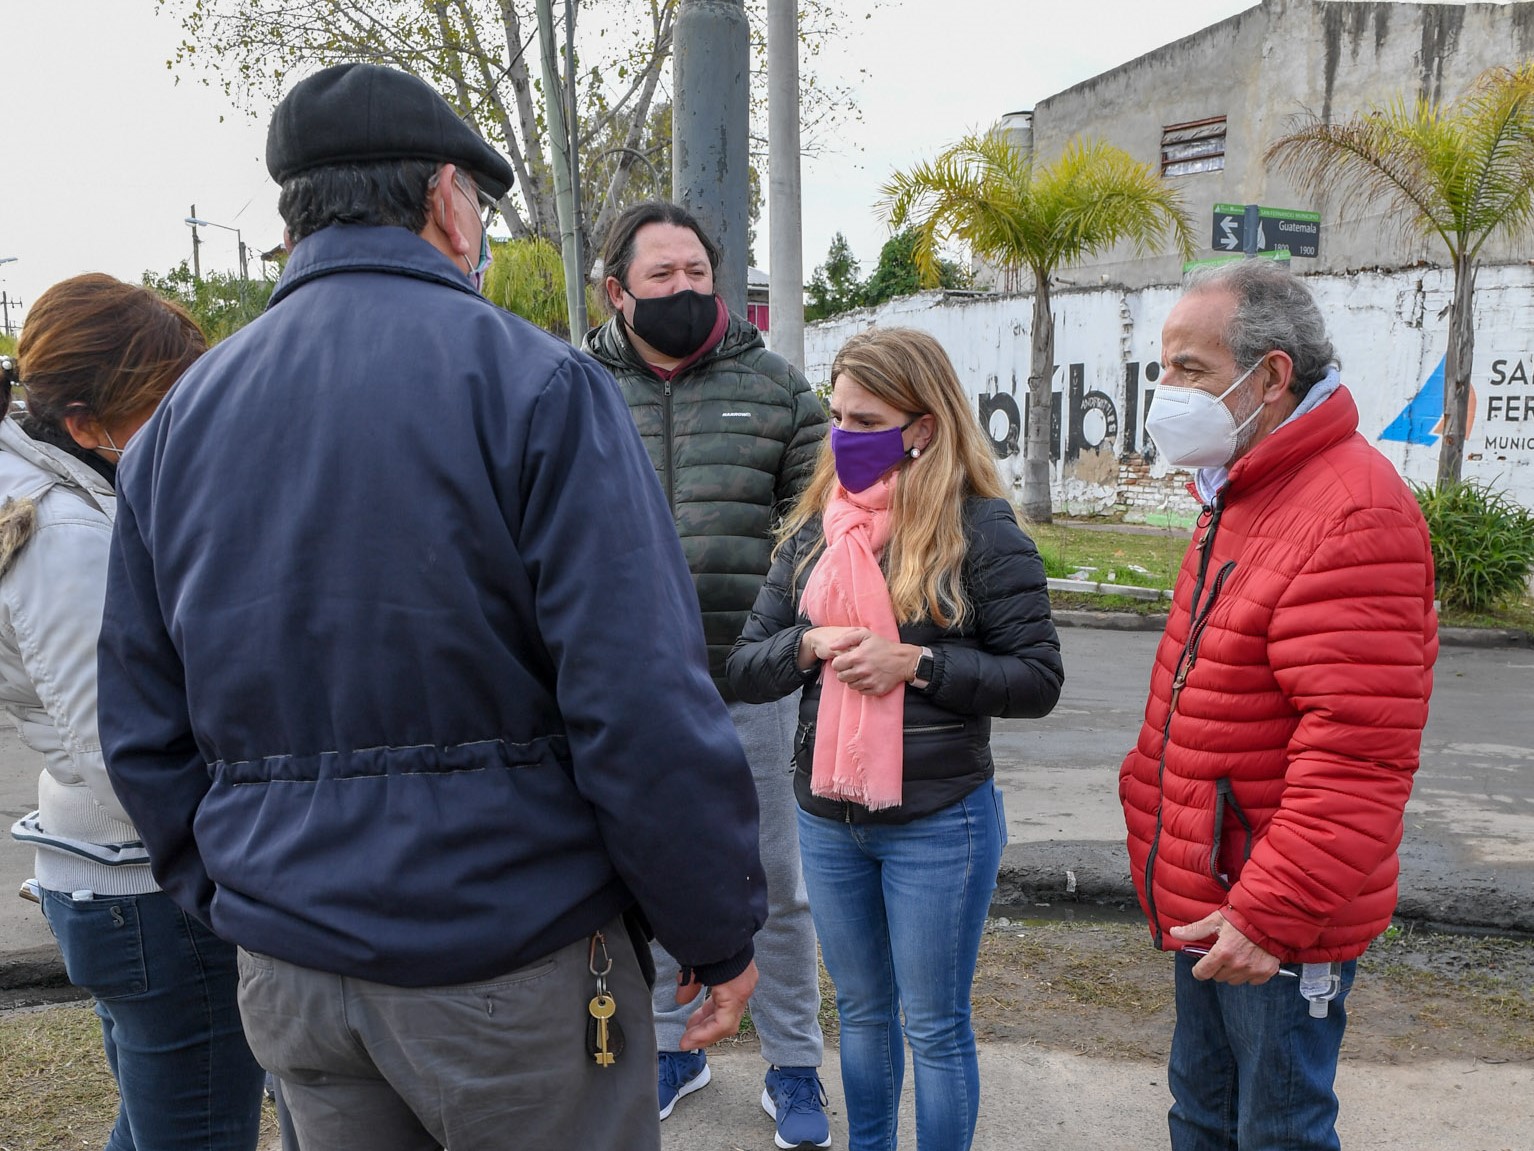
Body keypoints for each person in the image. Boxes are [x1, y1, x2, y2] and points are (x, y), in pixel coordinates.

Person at [96, 62, 766, 1151]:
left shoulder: (180, 423)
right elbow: (638, 702)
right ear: (449, 200)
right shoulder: (539, 387)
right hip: (513, 960)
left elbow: (139, 719)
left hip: (296, 967)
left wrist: (241, 893)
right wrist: (714, 924)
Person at [1119, 259, 1438, 1151]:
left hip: (1273, 914)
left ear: (1270, 376)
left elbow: (1359, 754)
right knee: (1205, 1119)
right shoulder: (1243, 491)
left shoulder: (1351, 510)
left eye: (1191, 369)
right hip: (1209, 890)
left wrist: (1272, 911)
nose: (1166, 391)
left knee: (1277, 1132)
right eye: (1164, 368)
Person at [728, 326, 1064, 1151]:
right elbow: (744, 665)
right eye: (835, 414)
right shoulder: (817, 530)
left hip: (939, 823)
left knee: (935, 1025)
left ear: (923, 424)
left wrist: (919, 664)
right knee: (865, 1015)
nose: (843, 436)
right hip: (829, 818)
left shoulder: (980, 530)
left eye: (865, 418)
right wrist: (805, 645)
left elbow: (1037, 677)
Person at [583, 201, 832, 1147]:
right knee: (632, 877)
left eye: (698, 273)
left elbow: (816, 525)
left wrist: (776, 624)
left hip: (748, 679)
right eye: (662, 276)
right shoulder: (570, 385)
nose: (685, 290)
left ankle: (797, 1063)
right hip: (621, 687)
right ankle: (669, 1051)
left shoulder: (776, 389)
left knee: (772, 877)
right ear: (617, 290)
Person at [3, 274, 266, 1149]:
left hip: (116, 873)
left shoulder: (77, 490)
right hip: (147, 886)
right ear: (83, 422)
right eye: (165, 400)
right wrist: (229, 866)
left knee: (163, 1124)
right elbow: (122, 748)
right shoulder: (69, 537)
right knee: (196, 1131)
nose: (195, 415)